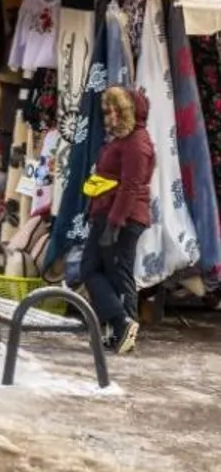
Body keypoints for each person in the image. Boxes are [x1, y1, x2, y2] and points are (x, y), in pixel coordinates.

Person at [81, 85, 155, 356]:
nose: (110, 114)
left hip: (122, 217)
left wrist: (114, 222)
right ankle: (122, 328)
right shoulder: (123, 139)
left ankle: (123, 324)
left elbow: (131, 186)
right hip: (110, 213)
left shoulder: (137, 142)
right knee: (101, 270)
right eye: (108, 109)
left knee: (112, 272)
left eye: (116, 109)